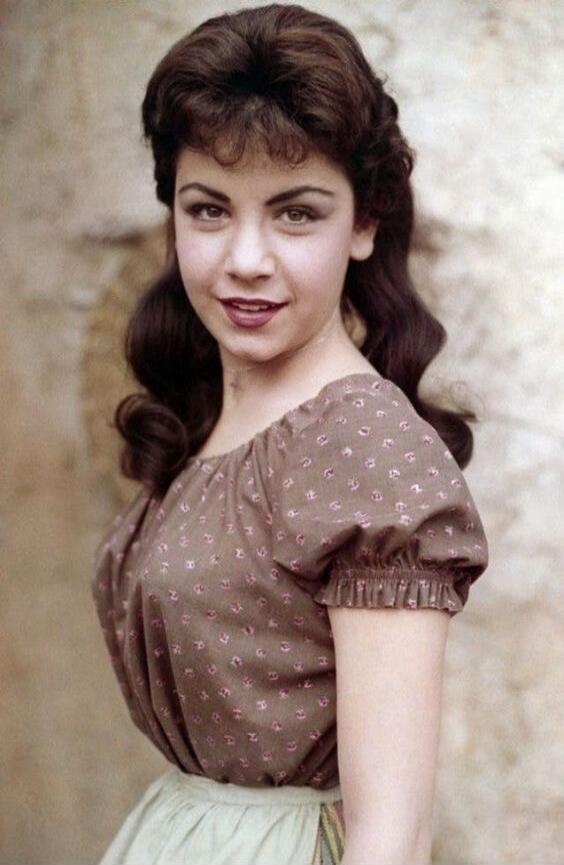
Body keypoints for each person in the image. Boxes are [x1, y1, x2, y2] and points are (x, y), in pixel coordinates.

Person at [90, 4, 489, 864]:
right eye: (207, 210)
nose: (244, 257)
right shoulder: (211, 414)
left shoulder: (365, 447)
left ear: (365, 224)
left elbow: (392, 833)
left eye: (295, 213)